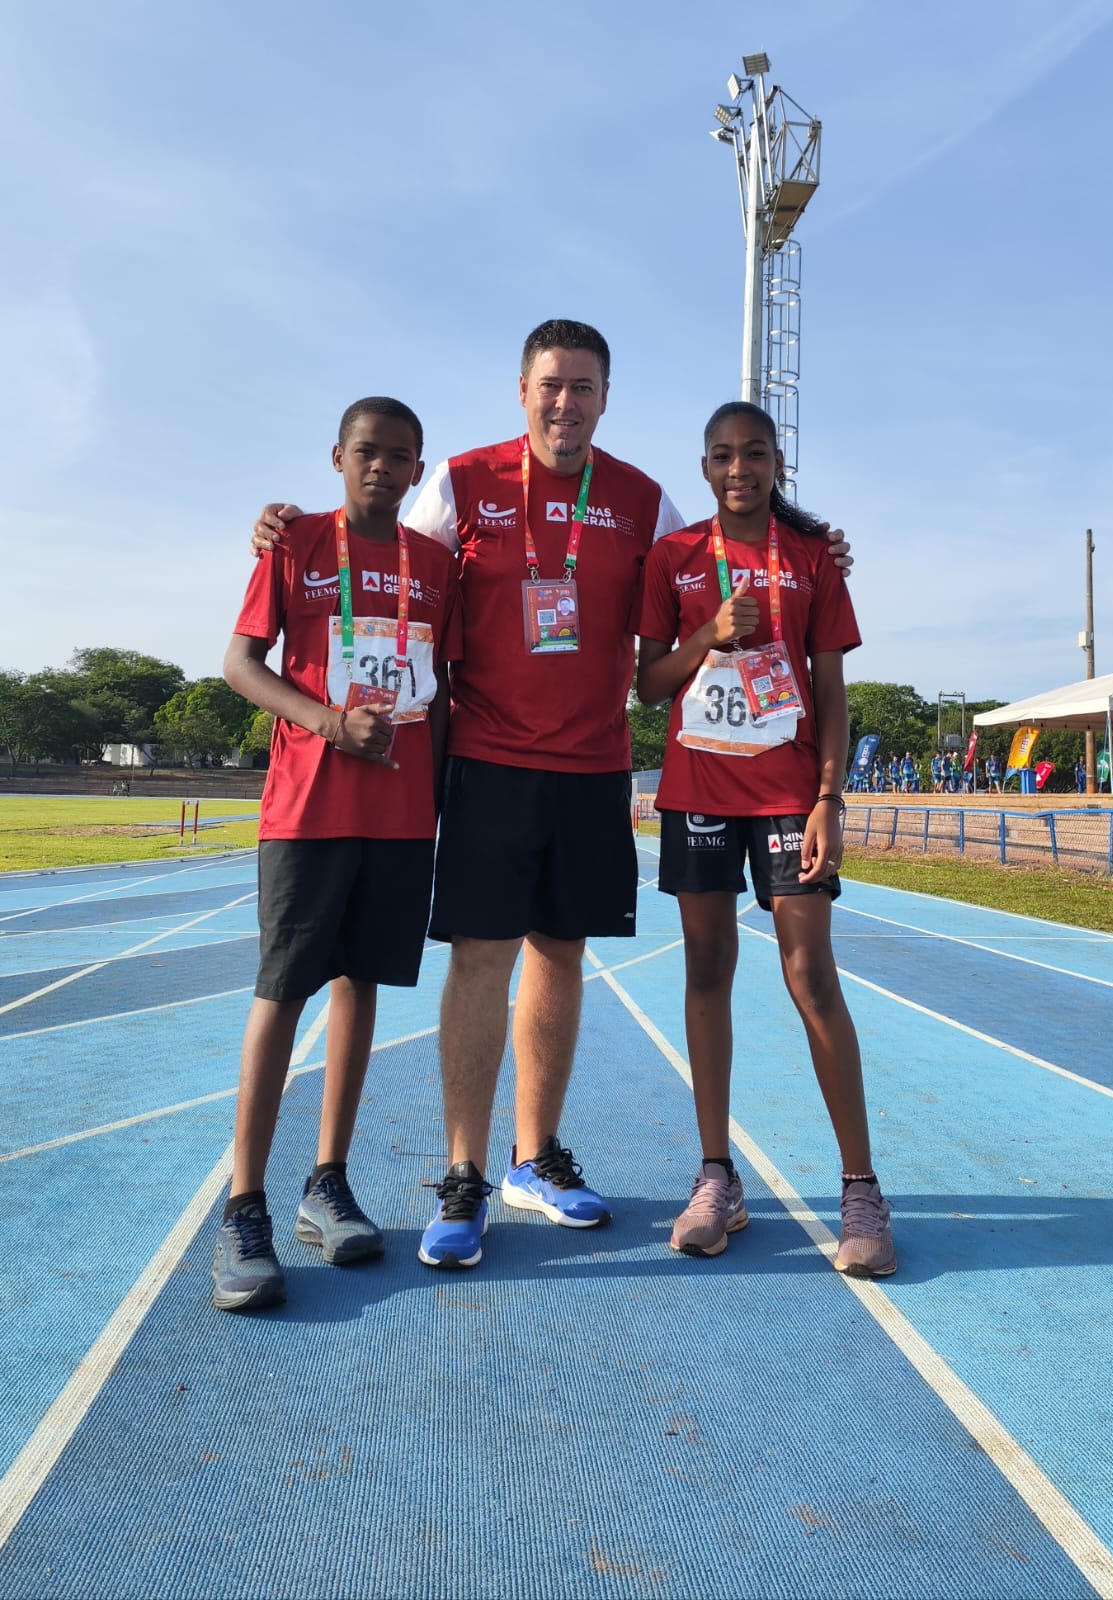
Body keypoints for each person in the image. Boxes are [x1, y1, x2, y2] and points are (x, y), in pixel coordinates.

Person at [250, 319, 854, 1272]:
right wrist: (281, 529)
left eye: (583, 386)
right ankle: (463, 1173)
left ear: (605, 399)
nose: (565, 402)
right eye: (550, 385)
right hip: (487, 761)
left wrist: (818, 547)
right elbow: (380, 569)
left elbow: (721, 555)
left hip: (593, 767)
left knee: (560, 955)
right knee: (482, 960)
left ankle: (535, 1157)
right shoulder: (457, 483)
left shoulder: (640, 500)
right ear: (520, 390)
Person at [634, 400, 895, 1277]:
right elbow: (647, 683)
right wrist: (706, 634)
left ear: (776, 461)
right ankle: (716, 1178)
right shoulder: (672, 558)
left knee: (809, 974)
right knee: (706, 970)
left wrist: (831, 798)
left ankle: (860, 1188)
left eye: (752, 453)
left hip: (787, 793)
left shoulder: (814, 559)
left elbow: (830, 691)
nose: (737, 468)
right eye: (720, 456)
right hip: (699, 789)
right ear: (702, 468)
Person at [211, 397, 461, 1311]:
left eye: (401, 457)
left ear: (417, 468)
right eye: (367, 453)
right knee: (281, 991)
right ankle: (244, 1207)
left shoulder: (436, 566)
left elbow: (447, 688)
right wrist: (323, 722)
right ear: (337, 457)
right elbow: (241, 662)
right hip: (307, 810)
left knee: (362, 988)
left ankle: (328, 1182)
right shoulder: (294, 544)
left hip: (400, 819)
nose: (383, 469)